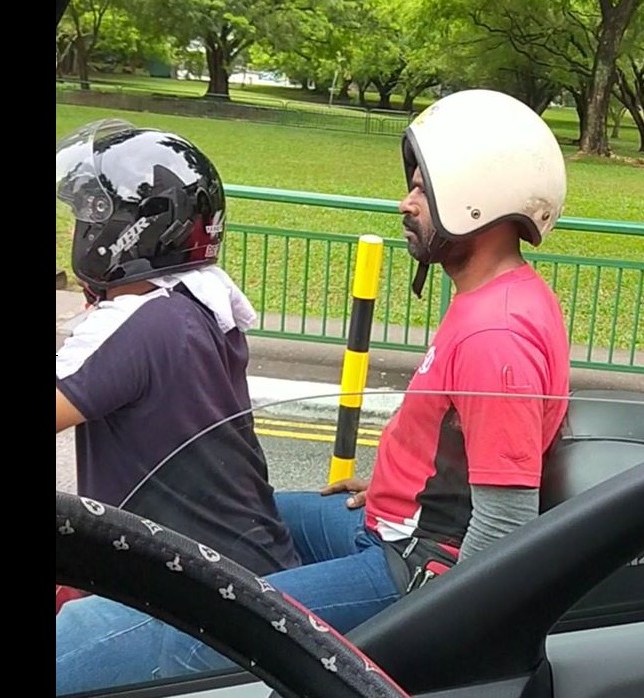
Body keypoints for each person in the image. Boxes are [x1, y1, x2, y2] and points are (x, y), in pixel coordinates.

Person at [55, 88, 571, 693]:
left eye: (421, 191)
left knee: (164, 629)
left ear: (475, 200)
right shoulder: (497, 300)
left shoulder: (496, 334)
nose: (405, 204)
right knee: (221, 529)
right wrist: (399, 483)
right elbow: (462, 443)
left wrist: (439, 625)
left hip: (415, 565)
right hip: (395, 523)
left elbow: (503, 524)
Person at [54, 119, 300, 616]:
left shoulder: (132, 325)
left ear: (127, 230)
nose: (79, 229)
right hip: (242, 564)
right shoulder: (199, 301)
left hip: (187, 598)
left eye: (89, 215)